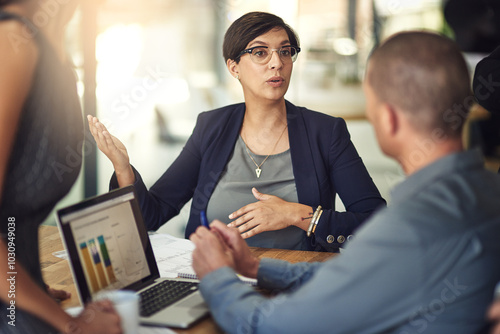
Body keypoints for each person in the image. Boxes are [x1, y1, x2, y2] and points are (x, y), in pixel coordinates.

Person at [188, 31, 500, 333]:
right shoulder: (486, 190)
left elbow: (267, 325)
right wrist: (258, 268)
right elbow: (364, 273)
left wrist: (217, 276)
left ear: (389, 118)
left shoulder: (410, 228)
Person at [88, 11, 385, 252]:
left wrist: (297, 215)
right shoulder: (211, 127)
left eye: (285, 51)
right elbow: (154, 213)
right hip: (214, 276)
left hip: (296, 282)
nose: (276, 62)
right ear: (233, 67)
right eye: (259, 52)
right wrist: (123, 168)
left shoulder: (326, 132)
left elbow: (377, 221)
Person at [0, 1, 122, 333]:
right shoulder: (13, 41)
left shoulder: (50, 48)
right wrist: (72, 327)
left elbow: (11, 218)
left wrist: (29, 283)